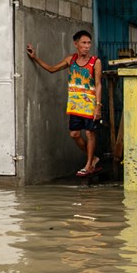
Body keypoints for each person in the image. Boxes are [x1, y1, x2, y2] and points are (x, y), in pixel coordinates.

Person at [26, 30, 103, 176]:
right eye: (83, 43)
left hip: (90, 104)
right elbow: (52, 69)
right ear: (76, 44)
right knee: (74, 134)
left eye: (89, 43)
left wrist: (98, 106)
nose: (87, 46)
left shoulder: (95, 62)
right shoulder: (70, 60)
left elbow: (98, 84)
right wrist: (35, 57)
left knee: (89, 133)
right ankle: (93, 158)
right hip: (74, 105)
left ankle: (88, 165)